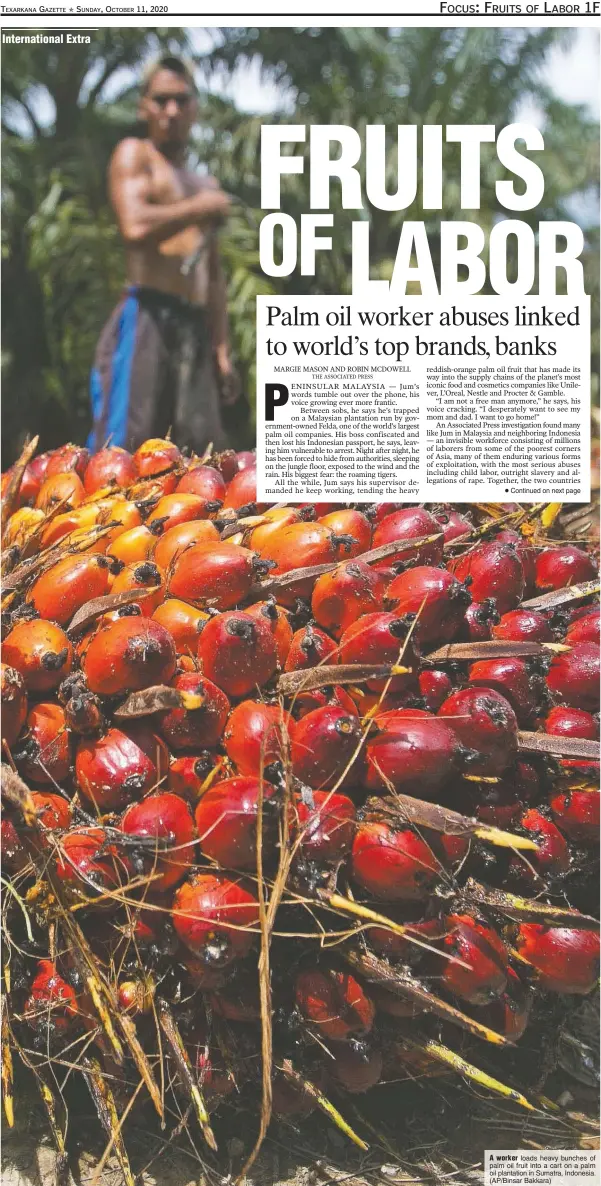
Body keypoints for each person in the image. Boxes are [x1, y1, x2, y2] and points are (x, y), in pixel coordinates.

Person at [88, 55, 239, 454]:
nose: (171, 110)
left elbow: (213, 274)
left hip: (193, 325)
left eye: (181, 100)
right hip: (146, 316)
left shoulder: (203, 182)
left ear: (195, 107)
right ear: (144, 106)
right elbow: (134, 226)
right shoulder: (135, 155)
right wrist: (201, 208)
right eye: (161, 100)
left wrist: (221, 348)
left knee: (200, 455)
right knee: (123, 450)